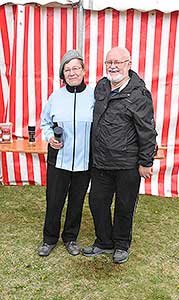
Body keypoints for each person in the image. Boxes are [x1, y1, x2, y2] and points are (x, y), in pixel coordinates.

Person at [82, 47, 157, 264]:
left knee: (124, 205)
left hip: (127, 163)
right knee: (97, 202)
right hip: (101, 161)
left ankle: (121, 244)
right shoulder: (102, 86)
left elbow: (147, 131)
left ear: (129, 64)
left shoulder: (139, 94)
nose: (113, 66)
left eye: (118, 62)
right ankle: (104, 241)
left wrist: (145, 161)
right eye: (109, 62)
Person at [38, 50, 94, 257]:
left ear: (83, 70)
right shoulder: (55, 96)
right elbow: (45, 123)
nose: (72, 73)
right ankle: (49, 239)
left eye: (75, 68)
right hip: (58, 159)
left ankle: (70, 237)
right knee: (54, 200)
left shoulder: (94, 95)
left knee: (77, 200)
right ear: (63, 74)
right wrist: (49, 137)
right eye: (67, 69)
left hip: (84, 160)